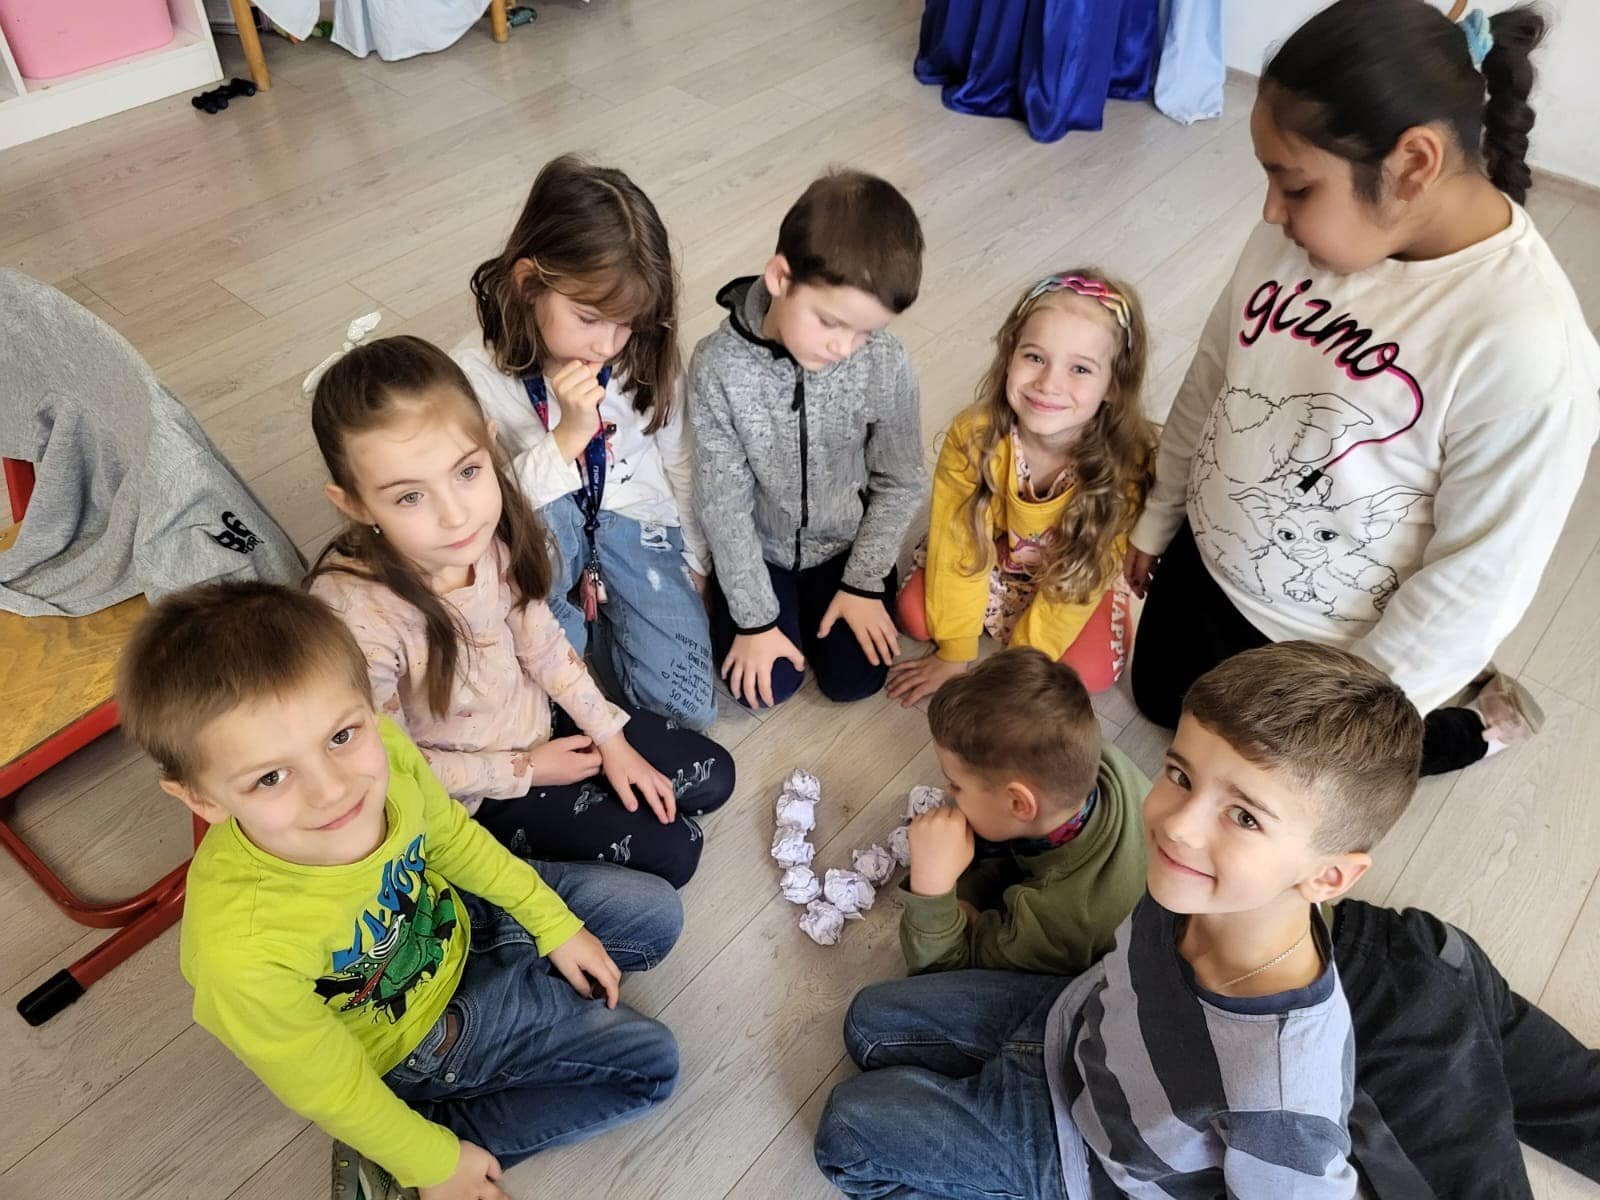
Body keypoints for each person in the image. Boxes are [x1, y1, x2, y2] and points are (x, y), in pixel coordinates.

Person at [1124, 0, 1600, 776]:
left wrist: (1347, 726)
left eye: (1294, 186)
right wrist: (1160, 514)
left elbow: (1474, 583)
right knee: (1157, 701)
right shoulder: (1293, 239)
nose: (1269, 210)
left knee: (1283, 772)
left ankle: (1473, 724)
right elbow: (1213, 374)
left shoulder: (1530, 350)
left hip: (1329, 653)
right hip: (1210, 565)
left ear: (1412, 165)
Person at [119, 581, 683, 1200]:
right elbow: (328, 1084)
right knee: (651, 1067)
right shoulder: (239, 950)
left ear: (366, 706)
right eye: (271, 777)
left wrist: (552, 922)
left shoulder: (384, 744)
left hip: (455, 922)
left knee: (657, 916)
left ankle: (525, 1008)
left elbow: (450, 840)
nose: (333, 790)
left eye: (340, 737)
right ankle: (405, 1161)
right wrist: (431, 1162)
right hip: (416, 1040)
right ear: (200, 798)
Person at [816, 641, 1421, 1197]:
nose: (1177, 827)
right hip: (1073, 1027)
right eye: (1180, 776)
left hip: (1090, 1159)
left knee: (847, 1131)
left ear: (1329, 877)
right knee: (868, 1023)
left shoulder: (1283, 1094)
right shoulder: (1183, 890)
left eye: (1244, 817)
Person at [307, 335, 733, 888]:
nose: (456, 515)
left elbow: (542, 642)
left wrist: (610, 738)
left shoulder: (489, 534)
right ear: (354, 503)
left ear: (489, 446)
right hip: (475, 793)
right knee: (678, 852)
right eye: (409, 496)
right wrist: (528, 770)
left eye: (467, 472)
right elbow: (395, 766)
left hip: (540, 721)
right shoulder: (356, 618)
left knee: (715, 777)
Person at [456, 155, 717, 731]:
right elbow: (486, 506)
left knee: (690, 706)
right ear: (528, 284)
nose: (607, 345)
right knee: (538, 704)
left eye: (626, 323)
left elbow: (679, 456)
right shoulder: (474, 376)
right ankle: (573, 649)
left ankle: (601, 634)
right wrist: (566, 438)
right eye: (589, 319)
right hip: (544, 537)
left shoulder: (640, 353)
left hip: (637, 522)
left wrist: (695, 564)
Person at [688, 169, 927, 710]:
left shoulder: (885, 361)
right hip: (762, 551)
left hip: (845, 548)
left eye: (866, 331)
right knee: (765, 685)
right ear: (780, 277)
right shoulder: (716, 367)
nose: (846, 347)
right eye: (831, 322)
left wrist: (864, 582)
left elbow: (900, 479)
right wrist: (754, 619)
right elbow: (722, 503)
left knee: (854, 679)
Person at [888, 270, 1154, 707]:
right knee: (916, 617)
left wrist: (1017, 667)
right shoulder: (973, 435)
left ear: (1114, 384)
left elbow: (1080, 580)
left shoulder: (1126, 465)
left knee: (1090, 673)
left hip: (1074, 575)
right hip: (995, 558)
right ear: (1009, 352)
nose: (1049, 384)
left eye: (1080, 368)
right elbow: (959, 545)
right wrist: (955, 653)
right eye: (1035, 357)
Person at [899, 647, 1150, 976]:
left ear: (1019, 803)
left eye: (956, 785)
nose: (948, 793)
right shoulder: (1090, 756)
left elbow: (945, 971)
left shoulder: (1056, 920)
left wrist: (931, 887)